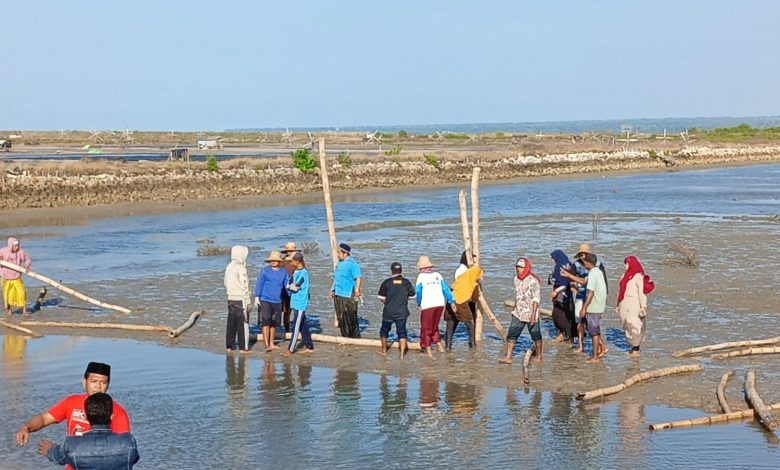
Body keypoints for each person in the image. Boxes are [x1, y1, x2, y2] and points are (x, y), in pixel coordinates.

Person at [16, 362, 131, 453]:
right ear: (84, 382)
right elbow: (44, 418)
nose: (98, 386)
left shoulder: (117, 411)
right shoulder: (71, 402)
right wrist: (27, 427)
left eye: (103, 382)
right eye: (93, 381)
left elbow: (124, 448)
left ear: (108, 385)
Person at [39, 393, 140, 470]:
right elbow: (134, 458)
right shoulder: (128, 442)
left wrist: (49, 450)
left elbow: (59, 457)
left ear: (87, 418)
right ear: (112, 417)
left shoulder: (72, 444)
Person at [561, 243, 608, 354]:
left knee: (592, 323)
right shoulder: (575, 264)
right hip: (580, 295)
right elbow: (571, 280)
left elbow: (603, 283)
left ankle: (600, 346)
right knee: (580, 321)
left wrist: (603, 298)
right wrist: (572, 285)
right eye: (581, 254)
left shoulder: (597, 266)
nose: (582, 257)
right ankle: (581, 345)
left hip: (593, 298)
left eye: (584, 254)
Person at [499, 257, 543, 364]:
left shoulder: (533, 281)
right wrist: (515, 307)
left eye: (521, 267)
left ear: (526, 268)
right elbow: (518, 295)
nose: (518, 269)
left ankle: (539, 356)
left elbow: (536, 299)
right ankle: (509, 356)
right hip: (518, 312)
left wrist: (533, 315)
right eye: (517, 267)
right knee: (512, 334)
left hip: (530, 312)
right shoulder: (516, 279)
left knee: (536, 335)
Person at [415, 256, 454, 358]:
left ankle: (428, 350)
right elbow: (445, 289)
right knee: (434, 326)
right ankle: (439, 346)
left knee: (426, 328)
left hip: (428, 305)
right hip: (439, 304)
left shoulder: (421, 277)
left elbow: (418, 292)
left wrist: (419, 303)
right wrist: (451, 301)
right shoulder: (437, 275)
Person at [377, 262, 415, 358]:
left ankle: (384, 350)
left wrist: (389, 301)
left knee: (384, 331)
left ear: (391, 271)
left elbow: (381, 297)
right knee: (402, 332)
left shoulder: (387, 282)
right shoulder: (406, 282)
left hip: (389, 311)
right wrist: (403, 299)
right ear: (401, 271)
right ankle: (402, 355)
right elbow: (412, 296)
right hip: (402, 311)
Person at [617, 256, 653, 357]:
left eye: (627, 264)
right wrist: (618, 304)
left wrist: (643, 305)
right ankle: (633, 347)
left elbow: (641, 292)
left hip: (634, 303)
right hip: (625, 304)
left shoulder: (638, 276)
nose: (625, 266)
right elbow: (621, 291)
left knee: (635, 325)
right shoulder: (625, 275)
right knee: (627, 325)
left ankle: (636, 349)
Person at [255, 251, 289, 352]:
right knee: (266, 321)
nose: (273, 262)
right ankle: (266, 345)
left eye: (275, 260)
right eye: (271, 260)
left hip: (277, 300)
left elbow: (286, 285)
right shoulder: (265, 271)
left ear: (279, 261)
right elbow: (259, 284)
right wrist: (257, 297)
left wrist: (292, 293)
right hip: (265, 299)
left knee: (274, 323)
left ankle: (271, 343)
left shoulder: (283, 272)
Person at [446, 253, 483, 349]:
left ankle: (448, 346)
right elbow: (478, 281)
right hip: (462, 300)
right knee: (469, 323)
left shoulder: (461, 270)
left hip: (452, 298)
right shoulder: (468, 271)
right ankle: (472, 346)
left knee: (451, 323)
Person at [282, 252, 314, 356]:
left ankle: (291, 349)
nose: (290, 262)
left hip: (300, 303)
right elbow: (289, 284)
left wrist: (289, 286)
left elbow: (294, 287)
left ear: (297, 261)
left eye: (292, 261)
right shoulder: (295, 272)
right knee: (303, 325)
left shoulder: (304, 274)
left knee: (296, 326)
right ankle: (309, 345)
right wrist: (289, 286)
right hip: (294, 302)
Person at [329, 243, 362, 338]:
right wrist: (332, 289)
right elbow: (336, 278)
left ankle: (354, 337)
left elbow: (358, 277)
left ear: (345, 253)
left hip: (348, 293)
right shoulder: (339, 264)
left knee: (351, 316)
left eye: (339, 253)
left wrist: (357, 290)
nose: (337, 255)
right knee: (341, 316)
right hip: (338, 293)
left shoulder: (353, 264)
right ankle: (345, 336)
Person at [580, 253, 608, 363]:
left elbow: (591, 292)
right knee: (595, 329)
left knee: (594, 333)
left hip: (593, 306)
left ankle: (595, 356)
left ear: (588, 263)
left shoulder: (592, 273)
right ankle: (600, 349)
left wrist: (584, 308)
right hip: (599, 304)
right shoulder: (599, 271)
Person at [224, 245, 251, 353]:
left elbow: (225, 282)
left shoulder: (229, 266)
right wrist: (247, 298)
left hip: (230, 298)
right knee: (243, 323)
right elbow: (245, 283)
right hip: (241, 299)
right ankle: (243, 347)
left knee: (231, 322)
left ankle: (229, 346)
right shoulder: (241, 267)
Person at [549, 249, 575, 343]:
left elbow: (564, 284)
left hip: (561, 296)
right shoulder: (570, 265)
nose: (552, 260)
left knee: (558, 316)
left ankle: (566, 335)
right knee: (568, 316)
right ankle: (564, 335)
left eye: (552, 258)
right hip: (569, 296)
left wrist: (555, 292)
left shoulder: (559, 268)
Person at [1, 237, 32, 317]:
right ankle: (9, 311)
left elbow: (27, 258)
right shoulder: (3, 251)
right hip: (6, 278)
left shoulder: (20, 252)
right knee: (7, 295)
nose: (17, 247)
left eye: (18, 245)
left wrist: (27, 266)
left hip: (16, 277)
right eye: (15, 246)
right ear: (10, 245)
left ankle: (24, 311)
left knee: (22, 293)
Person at [280, 241, 301, 333]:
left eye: (291, 251)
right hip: (285, 289)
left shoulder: (298, 261)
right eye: (289, 251)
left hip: (296, 288)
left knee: (296, 309)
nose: (290, 252)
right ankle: (287, 329)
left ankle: (296, 328)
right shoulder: (282, 262)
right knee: (287, 311)